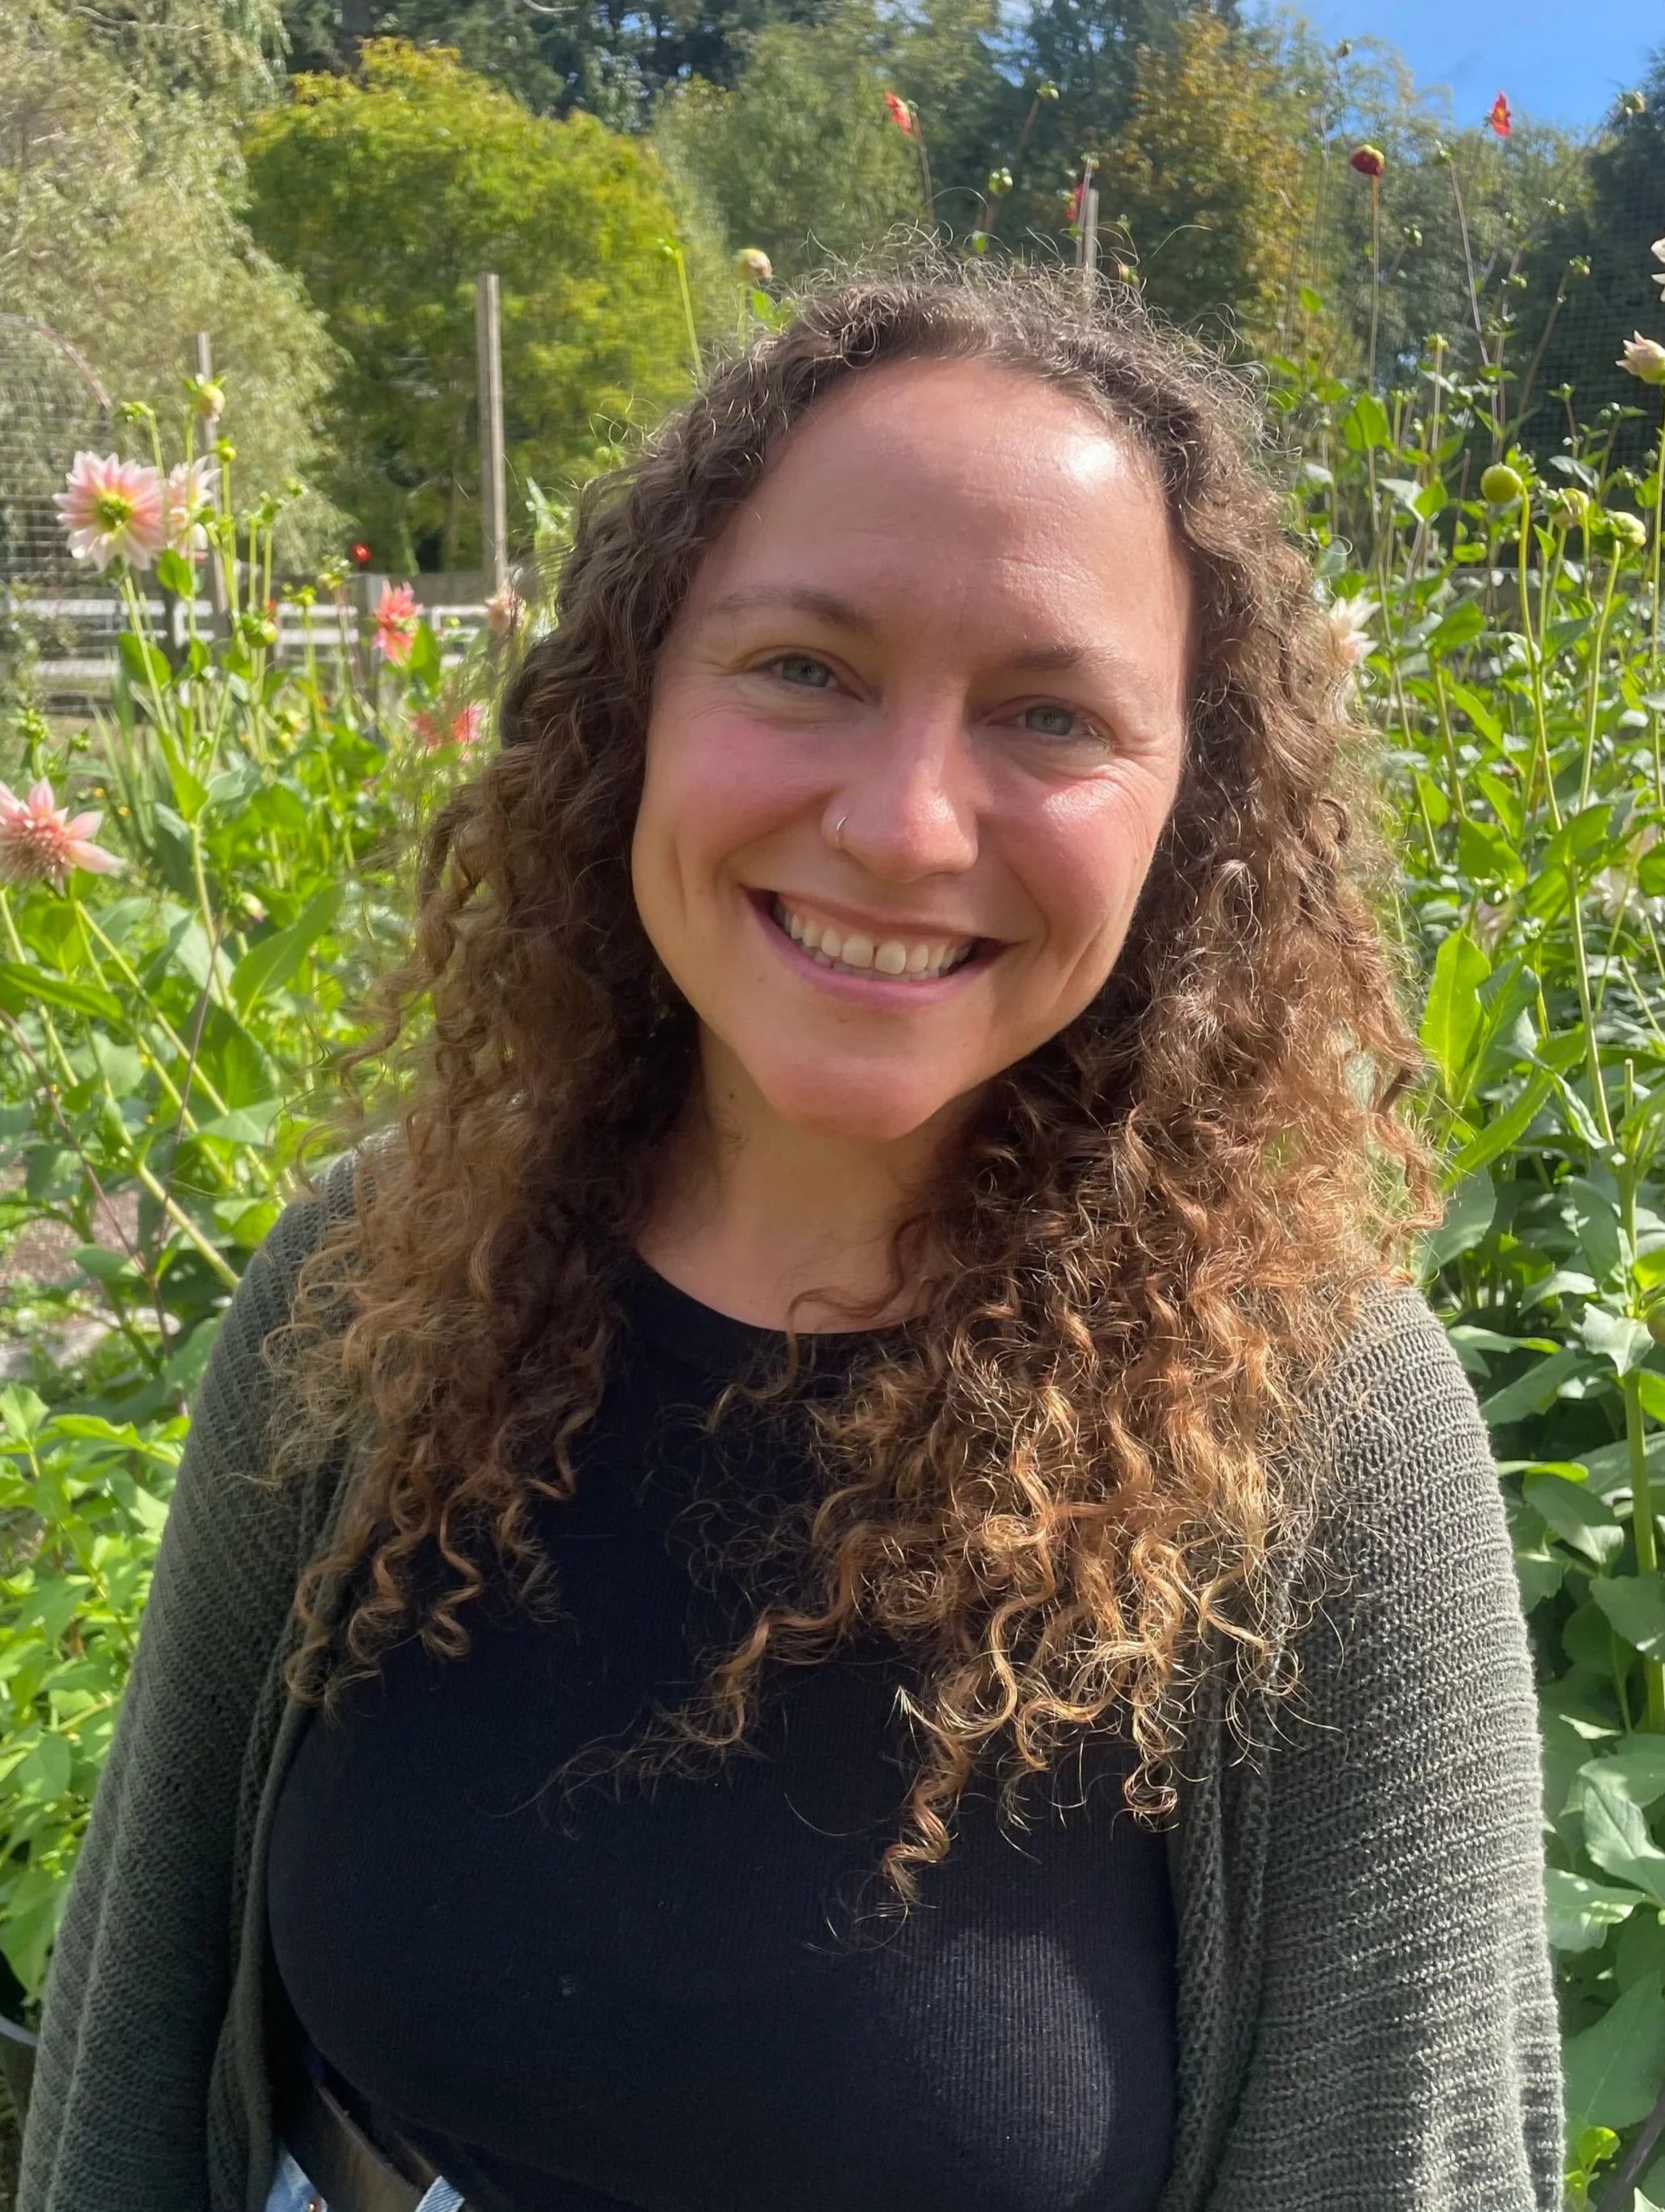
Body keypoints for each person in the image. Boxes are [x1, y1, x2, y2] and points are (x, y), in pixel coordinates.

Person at [18, 256, 1563, 2212]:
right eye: (804, 669)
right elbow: (133, 2032)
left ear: (1195, 818)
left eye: (1049, 715)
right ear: (634, 702)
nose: (908, 824)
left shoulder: (1320, 1440)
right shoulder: (365, 1289)